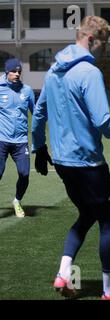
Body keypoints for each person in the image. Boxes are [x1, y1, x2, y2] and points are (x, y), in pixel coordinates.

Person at [32, 16, 110, 300]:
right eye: (103, 44)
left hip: (63, 164)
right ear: (92, 39)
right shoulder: (89, 72)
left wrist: (39, 148)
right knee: (108, 221)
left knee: (86, 214)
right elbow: (103, 120)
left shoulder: (53, 70)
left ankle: (63, 275)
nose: (103, 50)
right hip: (89, 164)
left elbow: (39, 114)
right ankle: (108, 291)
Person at [0, 58, 35, 218]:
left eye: (19, 71)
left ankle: (17, 201)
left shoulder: (27, 91)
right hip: (1, 139)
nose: (17, 74)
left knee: (24, 174)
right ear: (7, 72)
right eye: (14, 71)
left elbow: (36, 113)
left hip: (21, 141)